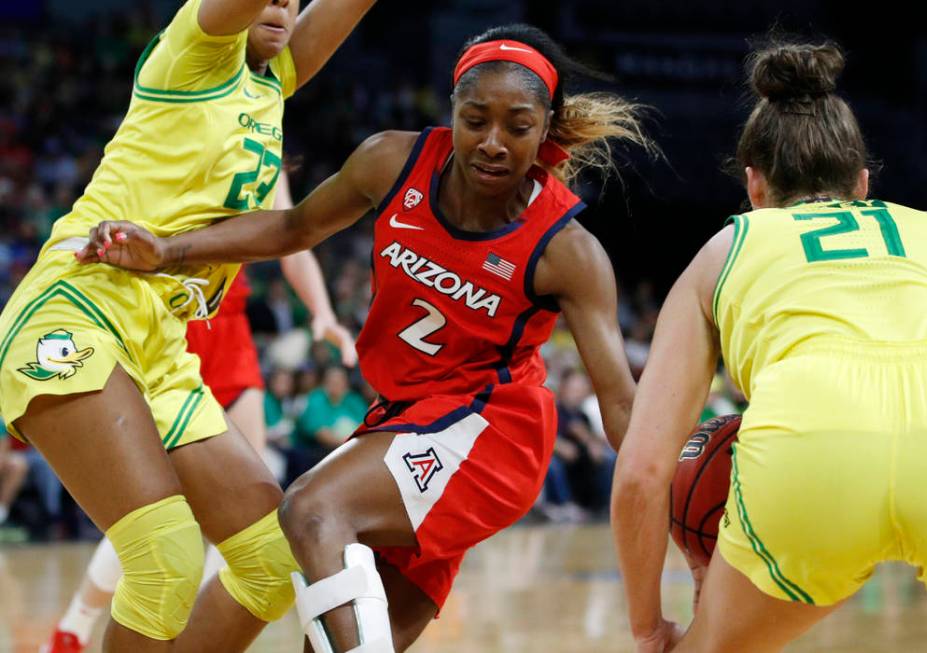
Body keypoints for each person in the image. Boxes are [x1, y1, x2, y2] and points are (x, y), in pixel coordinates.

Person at [76, 23, 652, 652]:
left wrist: (681, 491)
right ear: (451, 110)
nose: (492, 142)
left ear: (545, 130)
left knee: (312, 510)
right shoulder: (391, 160)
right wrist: (167, 250)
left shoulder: (567, 250)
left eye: (516, 127)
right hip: (400, 422)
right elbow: (293, 228)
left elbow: (620, 403)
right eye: (475, 119)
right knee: (330, 637)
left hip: (490, 436)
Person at [0, 0, 375, 651]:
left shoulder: (273, 80)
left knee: (270, 563)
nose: (283, 6)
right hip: (81, 309)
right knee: (164, 556)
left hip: (163, 343)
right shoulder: (196, 49)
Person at [610, 38, 927, 653]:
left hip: (814, 459)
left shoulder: (724, 252)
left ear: (754, 187)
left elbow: (642, 473)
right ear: (863, 185)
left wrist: (651, 628)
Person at [41, 174, 357, 653]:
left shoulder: (266, 153)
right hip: (165, 324)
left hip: (228, 329)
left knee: (251, 500)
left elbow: (294, 237)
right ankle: (74, 627)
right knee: (160, 511)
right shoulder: (180, 123)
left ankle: (194, 628)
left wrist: (322, 311)